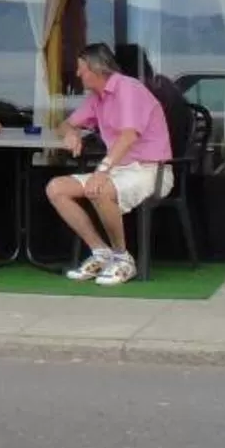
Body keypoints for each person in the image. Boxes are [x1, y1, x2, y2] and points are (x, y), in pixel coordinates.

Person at [44, 42, 174, 287]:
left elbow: (128, 136)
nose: (77, 74)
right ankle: (100, 252)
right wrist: (70, 133)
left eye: (81, 68)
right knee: (56, 188)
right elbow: (65, 124)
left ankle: (123, 258)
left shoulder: (129, 89)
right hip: (119, 170)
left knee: (100, 189)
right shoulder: (97, 97)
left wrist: (102, 171)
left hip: (150, 170)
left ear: (97, 69)